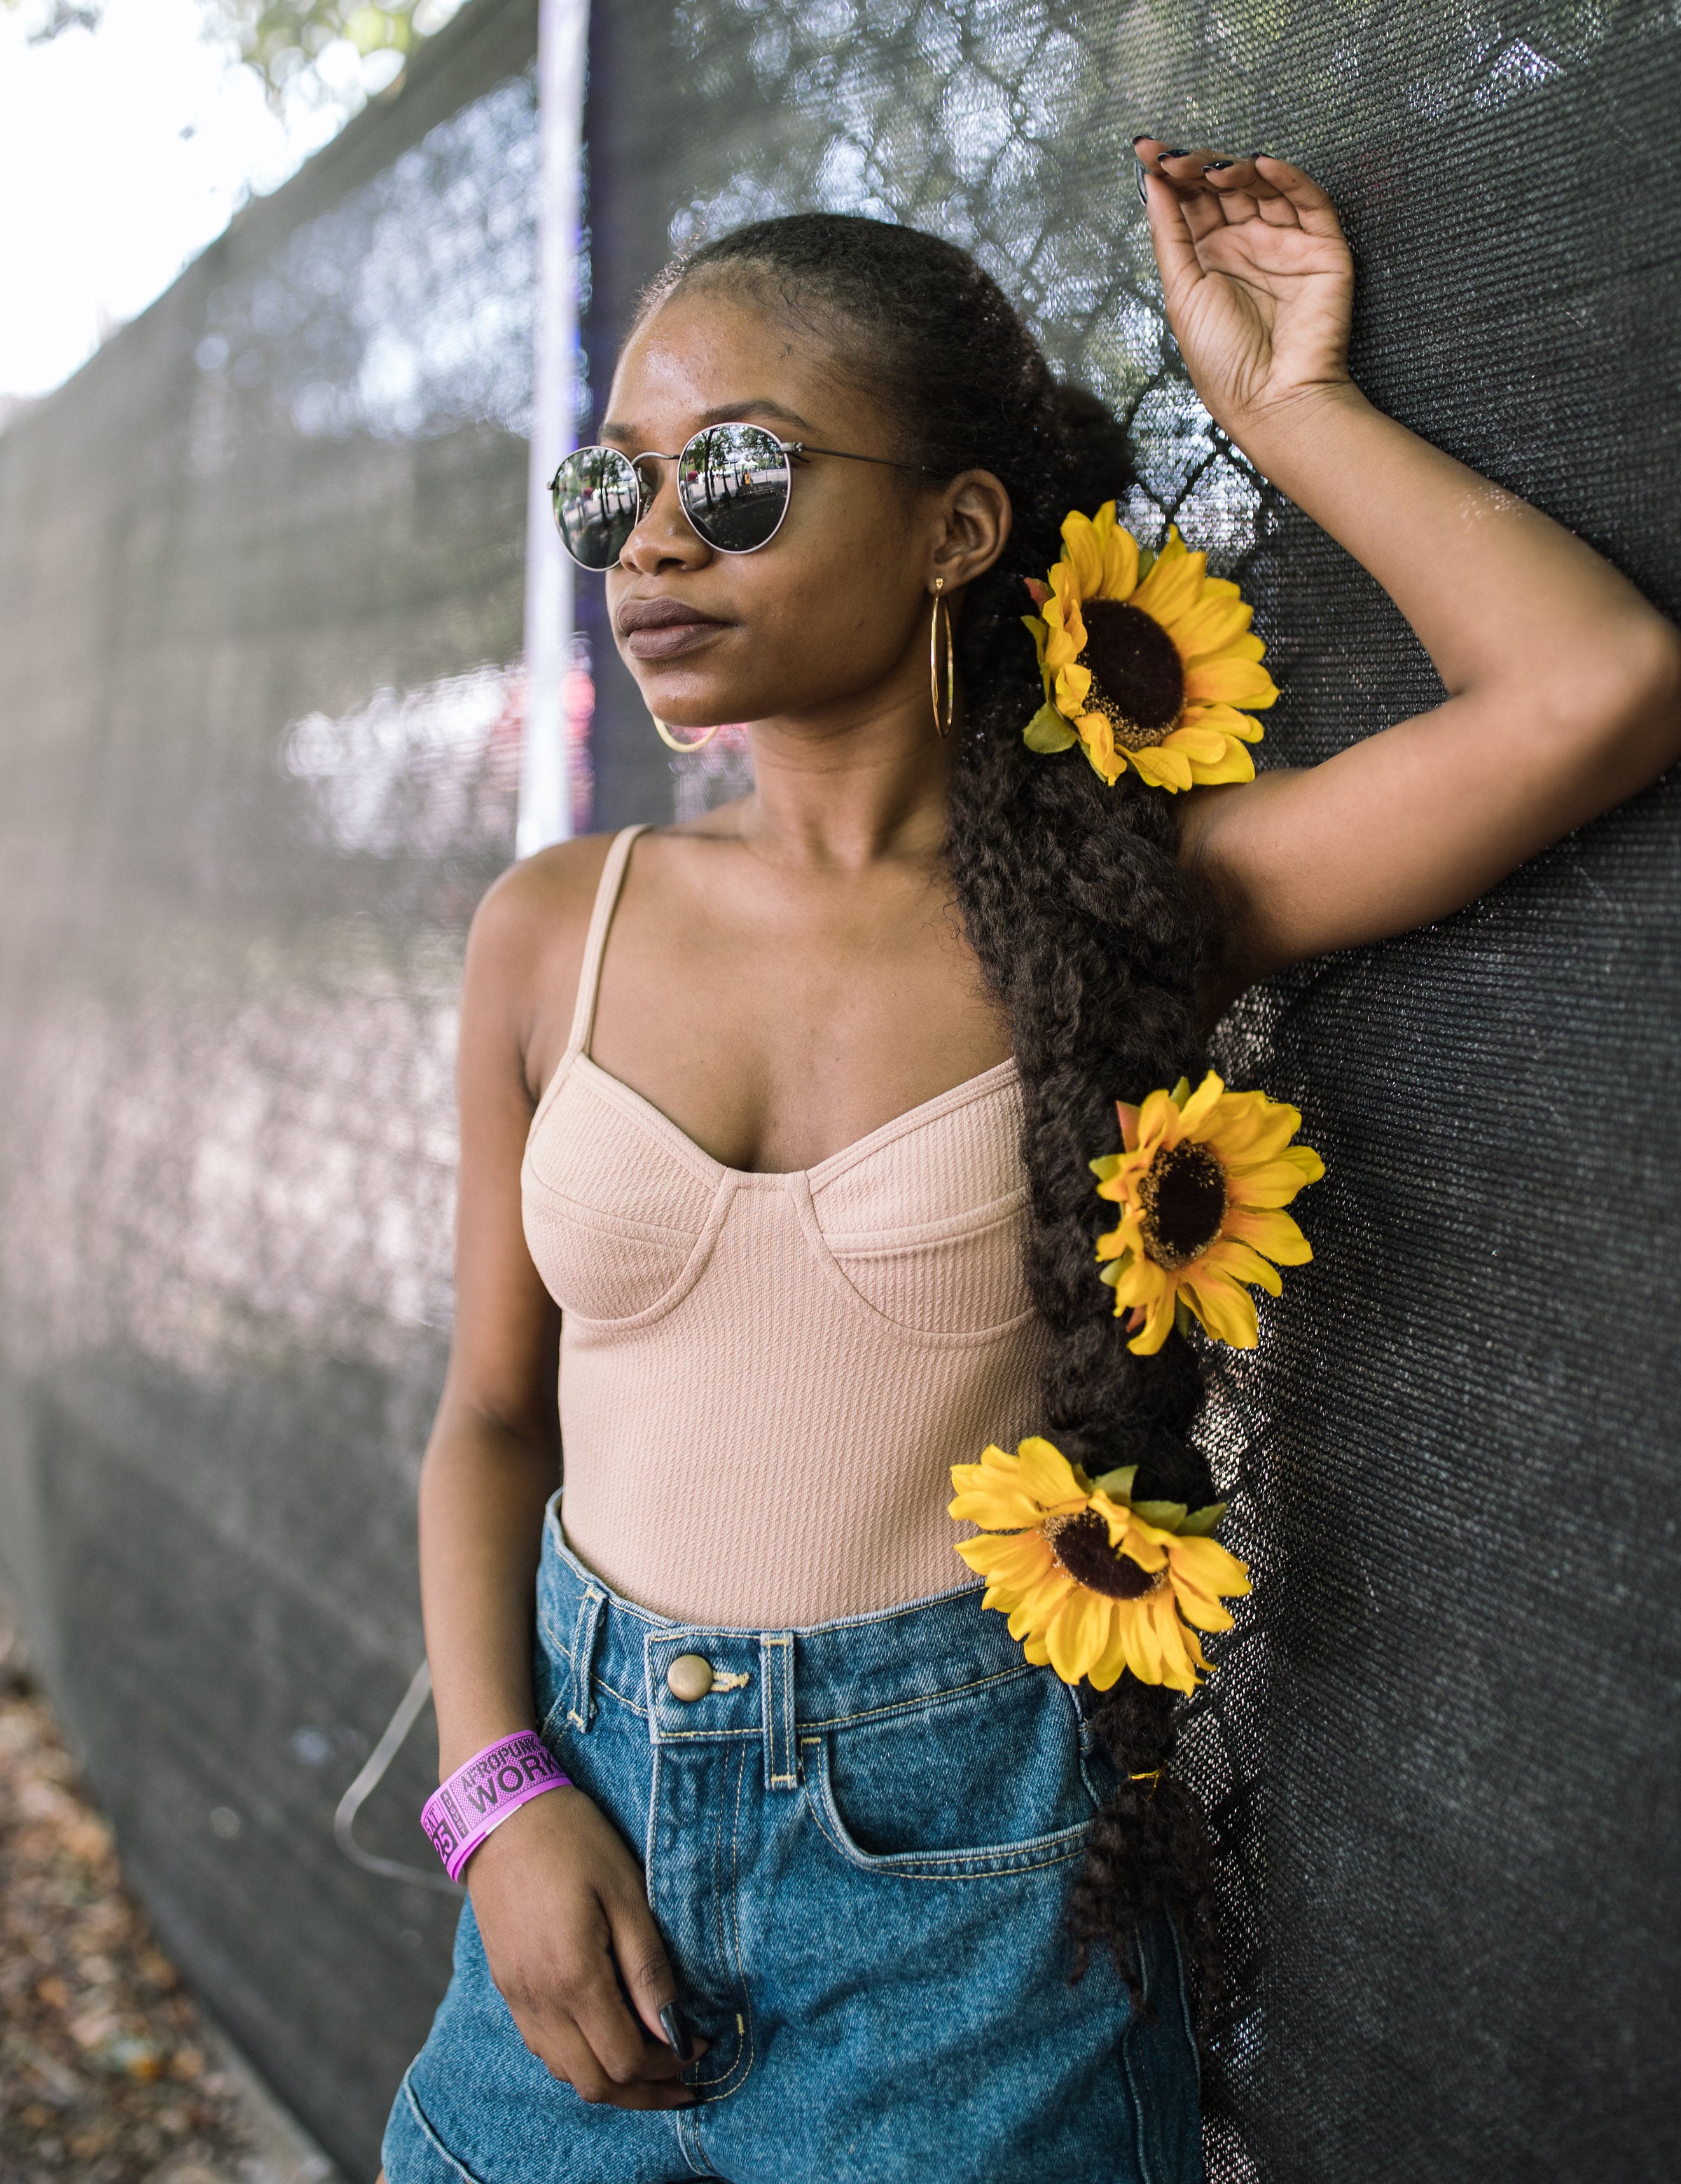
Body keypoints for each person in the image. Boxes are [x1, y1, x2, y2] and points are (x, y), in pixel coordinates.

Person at [379, 144, 1681, 2184]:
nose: (647, 540)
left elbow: (1591, 693)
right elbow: (482, 1416)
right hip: (579, 1861)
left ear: (955, 528)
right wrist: (496, 1799)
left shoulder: (1128, 906)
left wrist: (1283, 410)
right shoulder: (556, 927)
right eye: (609, 486)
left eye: (730, 475)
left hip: (971, 1898)